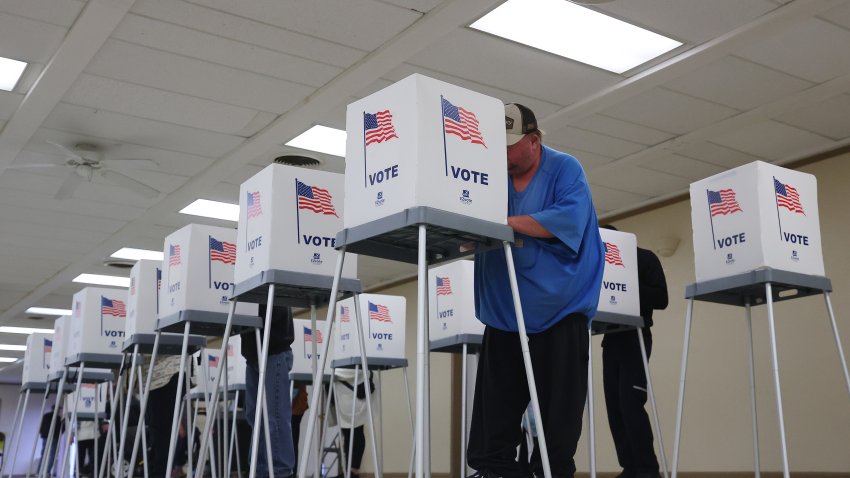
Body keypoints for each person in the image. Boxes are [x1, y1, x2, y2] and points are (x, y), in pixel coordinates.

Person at [467, 103, 604, 478]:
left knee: (555, 432)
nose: (503, 154)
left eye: (510, 145)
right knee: (491, 431)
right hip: (505, 314)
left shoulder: (565, 169)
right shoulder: (489, 175)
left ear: (533, 139)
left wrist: (504, 223)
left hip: (558, 312)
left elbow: (568, 221)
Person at [601, 225, 668, 478]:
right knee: (615, 407)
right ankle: (629, 467)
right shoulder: (597, 263)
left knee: (631, 403)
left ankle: (647, 470)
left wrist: (626, 281)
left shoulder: (644, 258)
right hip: (609, 339)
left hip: (636, 336)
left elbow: (662, 299)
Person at [241, 304, 296, 478]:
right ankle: (260, 470)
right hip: (253, 354)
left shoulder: (272, 279)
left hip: (273, 350)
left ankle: (279, 472)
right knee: (254, 416)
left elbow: (277, 308)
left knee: (275, 418)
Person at [331, 368, 374, 478]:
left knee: (356, 431)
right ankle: (349, 470)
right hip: (345, 388)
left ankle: (353, 470)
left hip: (352, 386)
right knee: (348, 432)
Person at [39, 405, 63, 477]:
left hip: (45, 437)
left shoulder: (45, 416)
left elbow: (41, 426)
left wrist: (42, 434)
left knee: (43, 454)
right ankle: (47, 471)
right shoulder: (58, 418)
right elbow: (61, 428)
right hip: (54, 437)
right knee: (53, 455)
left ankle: (39, 471)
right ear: (58, 410)